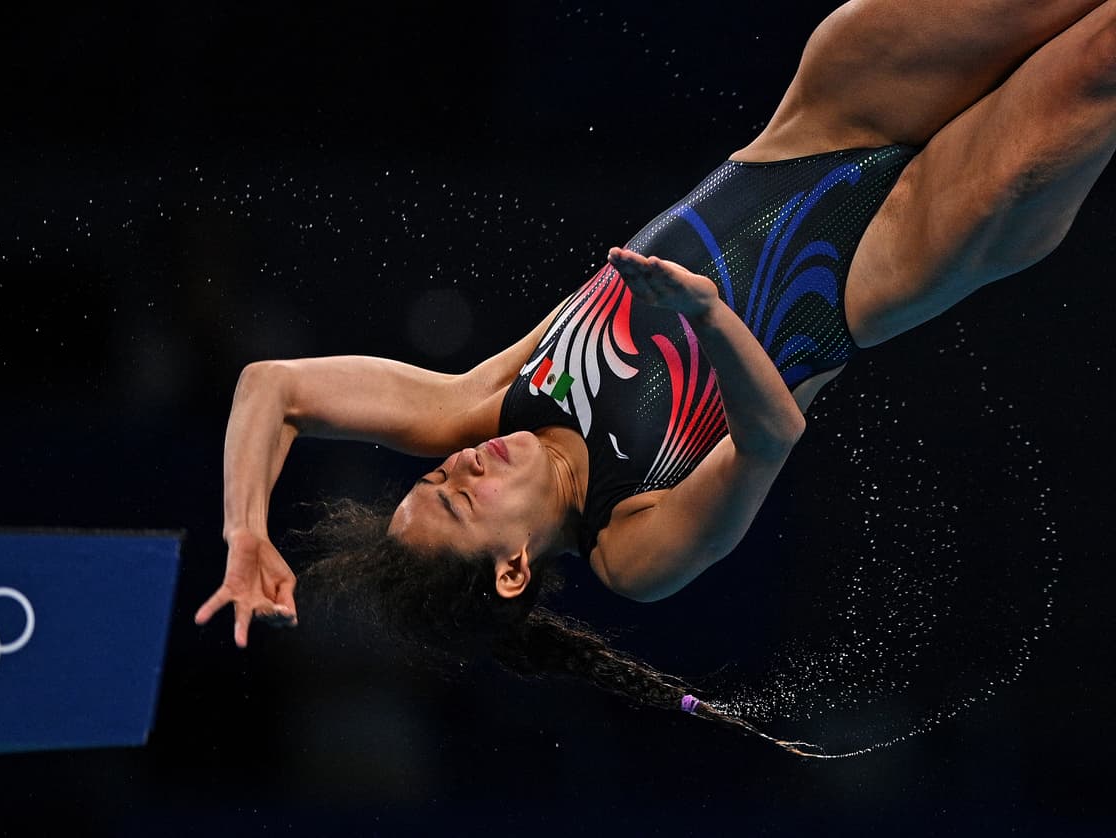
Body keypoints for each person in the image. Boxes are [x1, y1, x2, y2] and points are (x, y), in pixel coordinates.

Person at [195, 1, 1116, 753]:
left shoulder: (478, 403)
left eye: (438, 474)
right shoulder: (631, 554)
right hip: (891, 255)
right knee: (1097, 58)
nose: (463, 465)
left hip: (828, 114)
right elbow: (769, 441)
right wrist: (708, 317)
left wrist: (246, 531)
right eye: (464, 499)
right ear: (514, 570)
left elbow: (270, 386)